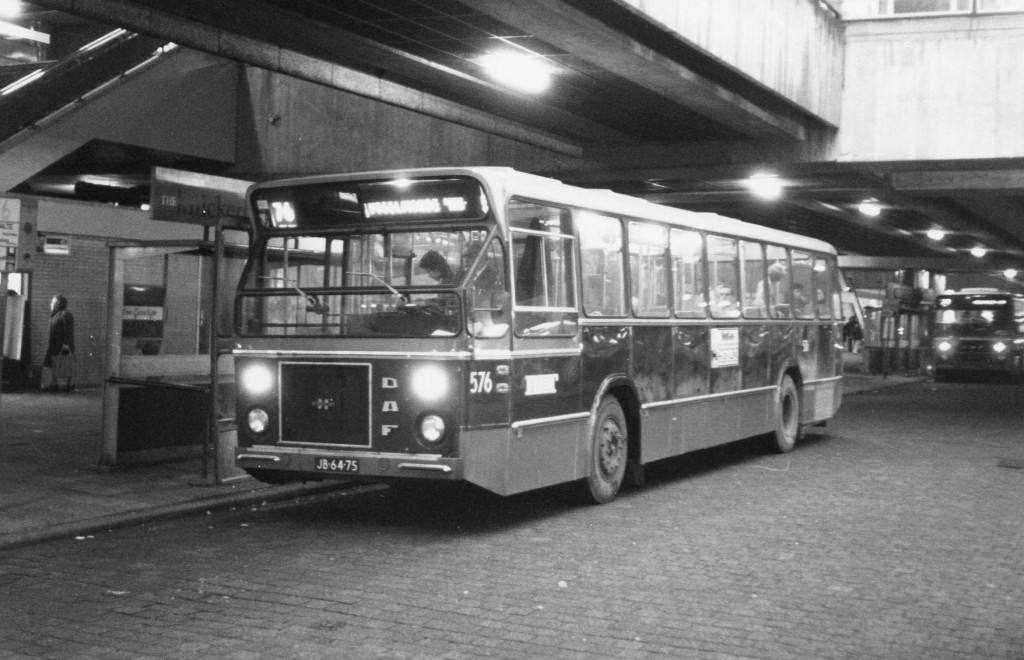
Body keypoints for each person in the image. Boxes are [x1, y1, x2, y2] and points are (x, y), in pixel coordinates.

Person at [43, 294, 75, 392]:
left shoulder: (66, 314)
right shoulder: (55, 315)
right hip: (54, 345)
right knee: (51, 364)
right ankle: (54, 385)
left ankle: (70, 385)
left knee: (66, 364)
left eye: (52, 302)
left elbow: (68, 331)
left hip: (63, 345)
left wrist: (66, 345)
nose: (51, 304)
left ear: (58, 303)